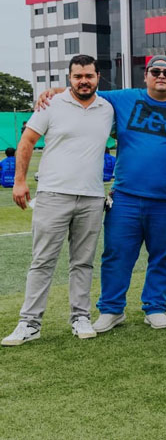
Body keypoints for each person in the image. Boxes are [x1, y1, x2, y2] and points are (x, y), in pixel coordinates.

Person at [35, 55, 166, 333]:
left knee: (164, 255)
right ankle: (112, 309)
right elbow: (85, 90)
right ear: (146, 76)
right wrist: (52, 91)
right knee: (116, 254)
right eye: (155, 71)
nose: (161, 76)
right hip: (126, 196)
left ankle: (155, 307)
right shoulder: (125, 98)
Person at [2, 55, 113, 346]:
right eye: (78, 76)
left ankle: (80, 318)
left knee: (83, 263)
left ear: (98, 77)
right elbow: (27, 141)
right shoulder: (51, 104)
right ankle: (29, 323)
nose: (83, 81)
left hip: (92, 197)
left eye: (89, 76)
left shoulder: (108, 108)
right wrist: (20, 181)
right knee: (42, 261)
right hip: (53, 194)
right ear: (69, 78)